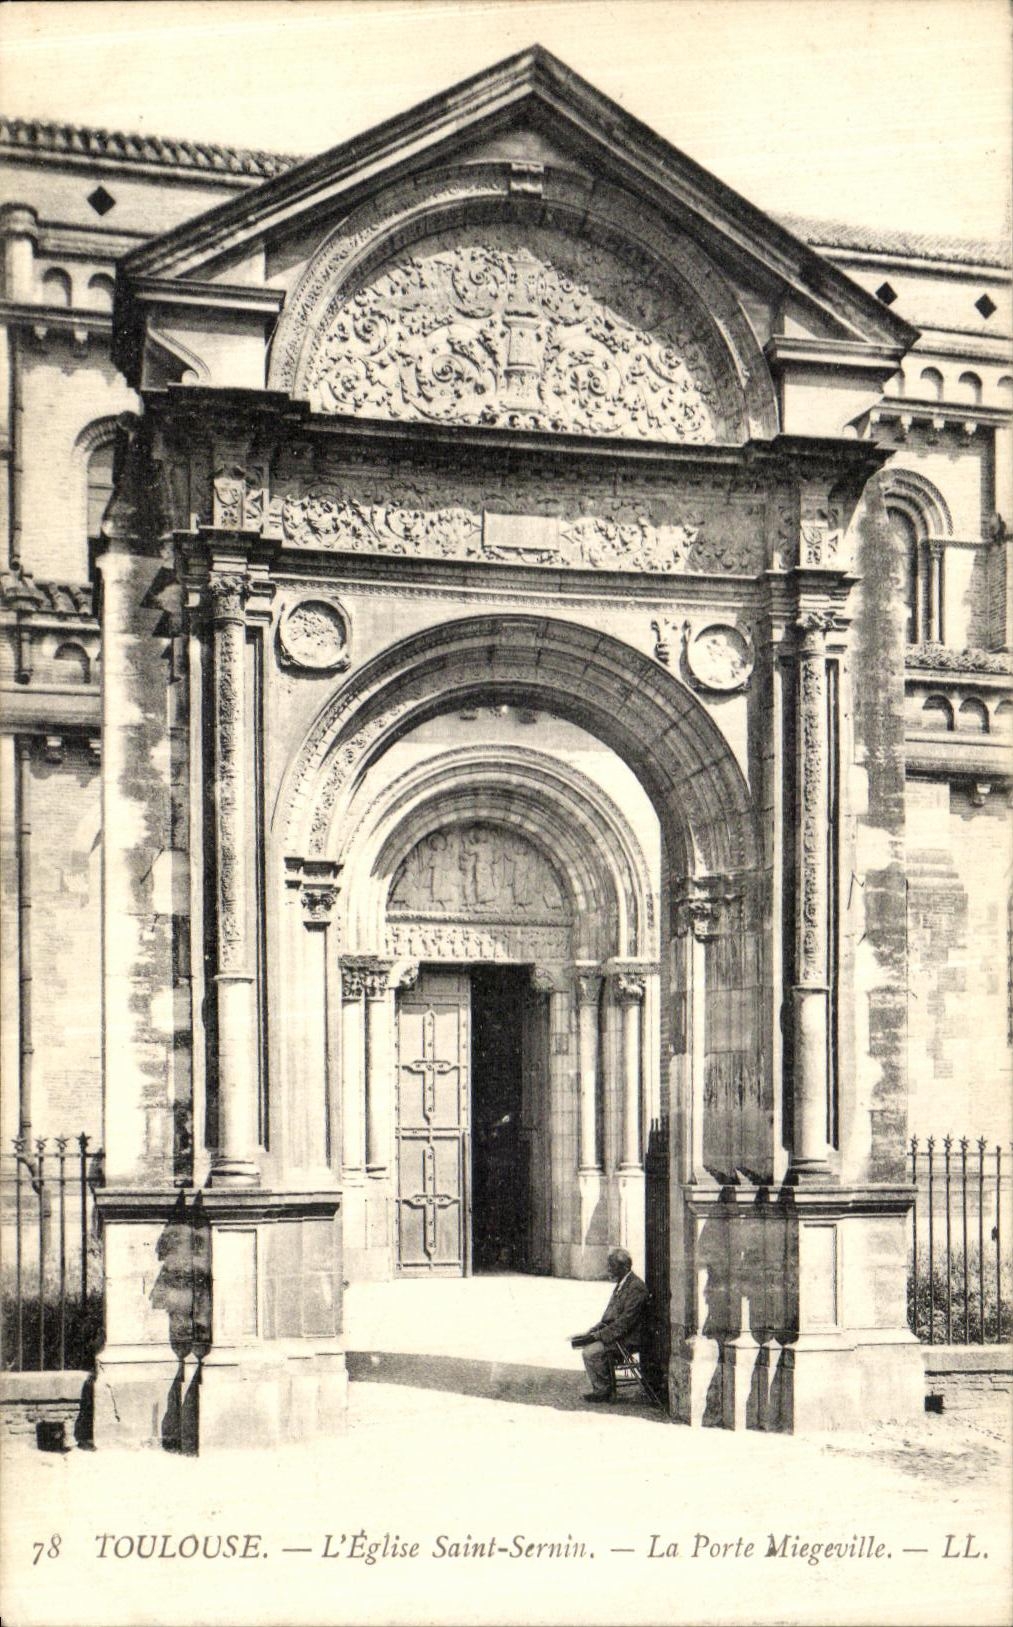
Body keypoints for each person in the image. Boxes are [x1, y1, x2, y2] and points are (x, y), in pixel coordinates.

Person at [572, 1248, 648, 1402]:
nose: (609, 1270)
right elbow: (609, 1316)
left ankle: (602, 1391)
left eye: (612, 1266)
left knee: (590, 1352)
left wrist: (598, 1336)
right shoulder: (623, 1283)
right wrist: (593, 1330)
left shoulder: (636, 1287)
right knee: (585, 1344)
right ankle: (602, 1388)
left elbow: (625, 1322)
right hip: (618, 1334)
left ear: (625, 1267)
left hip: (629, 1338)